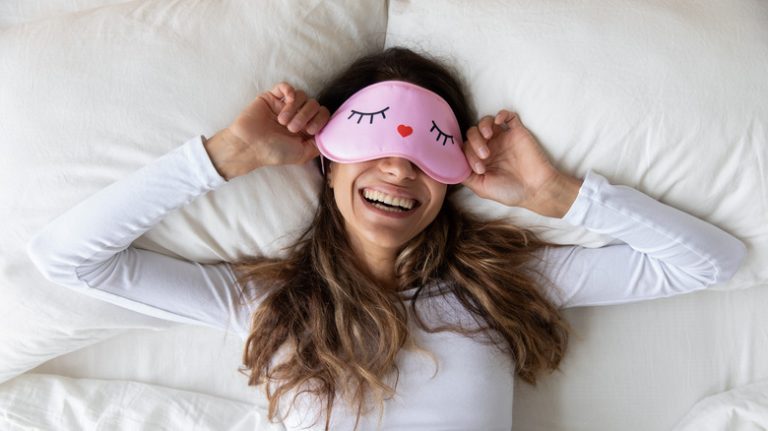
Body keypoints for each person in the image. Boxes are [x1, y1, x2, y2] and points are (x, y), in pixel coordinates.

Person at [27, 47, 747, 431]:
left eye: (429, 145)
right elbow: (67, 258)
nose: (399, 164)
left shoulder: (498, 287)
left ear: (455, 174)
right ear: (327, 162)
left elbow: (712, 263)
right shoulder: (268, 303)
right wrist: (225, 156)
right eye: (371, 140)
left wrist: (557, 196)